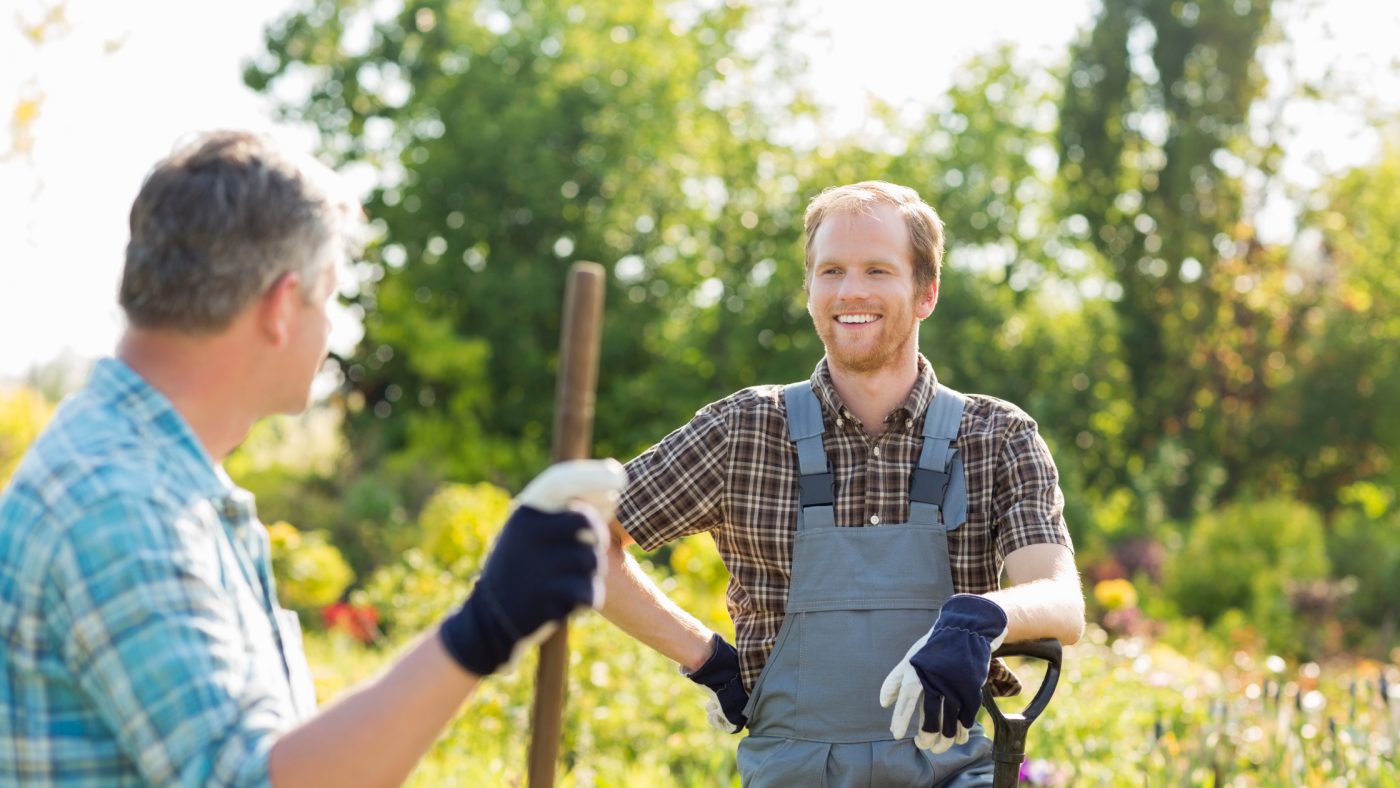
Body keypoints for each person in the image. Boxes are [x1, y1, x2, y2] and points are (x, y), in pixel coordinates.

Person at [0, 130, 626, 786]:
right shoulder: (120, 502)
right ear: (278, 307)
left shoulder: (156, 474)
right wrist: (485, 628)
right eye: (326, 298)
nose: (331, 329)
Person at [599, 181, 1085, 786]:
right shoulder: (745, 431)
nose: (851, 291)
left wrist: (981, 618)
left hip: (952, 770)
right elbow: (579, 539)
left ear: (926, 292)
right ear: (810, 292)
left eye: (878, 270)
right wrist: (704, 655)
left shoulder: (996, 437)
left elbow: (1061, 599)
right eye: (831, 271)